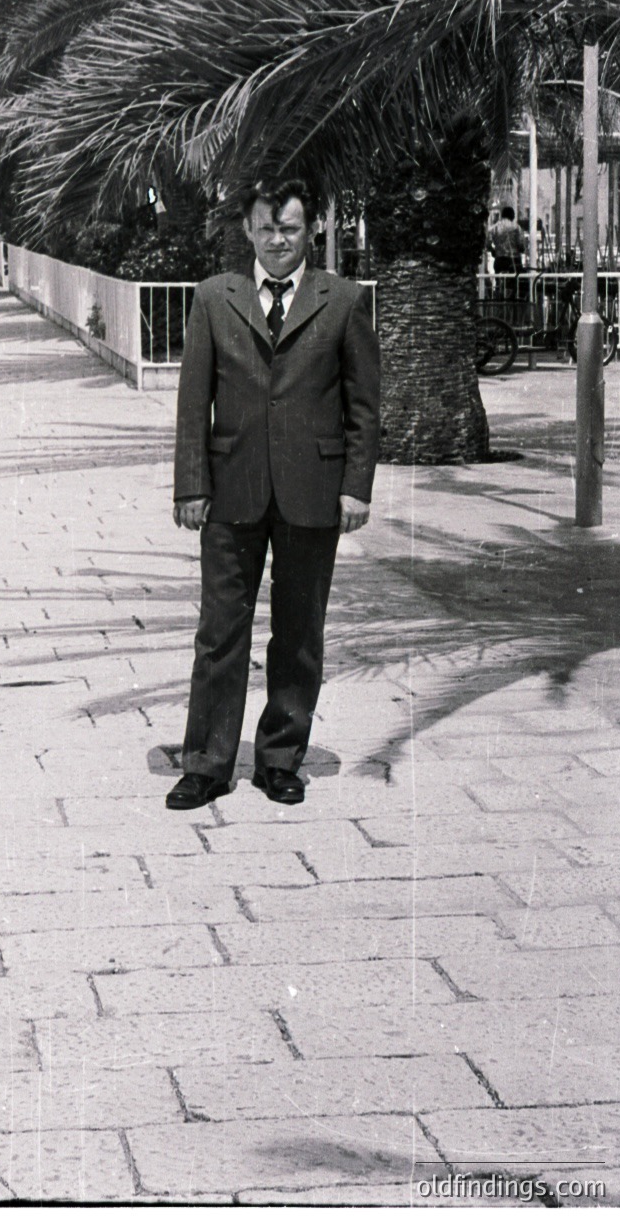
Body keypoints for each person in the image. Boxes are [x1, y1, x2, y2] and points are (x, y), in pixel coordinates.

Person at [168, 177, 381, 812]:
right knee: (219, 630)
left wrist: (355, 488)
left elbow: (363, 407)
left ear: (310, 229)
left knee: (298, 633)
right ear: (248, 231)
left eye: (289, 228)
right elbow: (191, 403)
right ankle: (206, 763)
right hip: (231, 491)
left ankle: (281, 759)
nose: (278, 240)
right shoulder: (214, 298)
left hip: (312, 493)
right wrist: (190, 486)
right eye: (266, 228)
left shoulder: (342, 301)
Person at [489, 206, 524, 275]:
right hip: (514, 259)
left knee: (499, 282)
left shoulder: (494, 228)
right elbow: (520, 244)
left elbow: (487, 243)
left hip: (499, 259)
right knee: (515, 282)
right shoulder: (516, 227)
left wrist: (493, 250)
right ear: (512, 215)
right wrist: (521, 249)